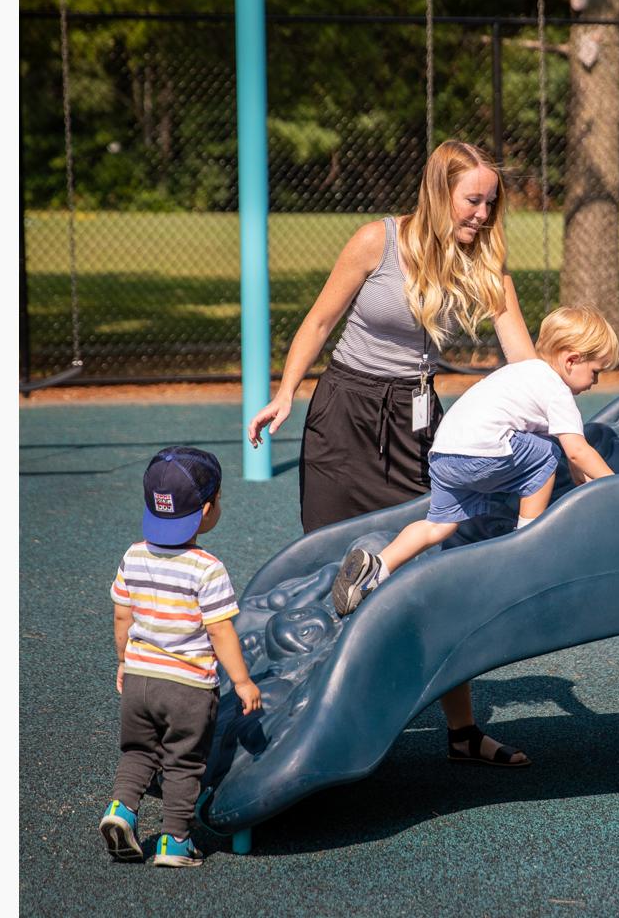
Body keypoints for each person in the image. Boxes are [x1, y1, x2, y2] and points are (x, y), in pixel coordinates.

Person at [245, 139, 538, 766]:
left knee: (429, 572)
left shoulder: (485, 263)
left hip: (415, 424)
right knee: (330, 566)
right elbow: (321, 322)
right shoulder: (376, 242)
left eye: (491, 202)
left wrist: (554, 415)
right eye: (472, 200)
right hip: (344, 413)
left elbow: (523, 357)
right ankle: (305, 725)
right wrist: (285, 393)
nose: (483, 214)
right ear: (438, 193)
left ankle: (461, 733)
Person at [329, 304, 619, 618]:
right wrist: (615, 486)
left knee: (437, 526)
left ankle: (376, 569)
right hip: (482, 451)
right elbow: (576, 450)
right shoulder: (556, 390)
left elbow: (575, 462)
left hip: (444, 456)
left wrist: (583, 481)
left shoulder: (521, 373)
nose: (595, 382)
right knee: (547, 451)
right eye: (595, 372)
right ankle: (527, 543)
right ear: (571, 360)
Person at [100, 446, 262, 867]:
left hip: (139, 678)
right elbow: (220, 630)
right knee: (183, 761)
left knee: (137, 751)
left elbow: (123, 615)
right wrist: (242, 681)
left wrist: (123, 660)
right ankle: (175, 841)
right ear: (207, 509)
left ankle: (121, 810)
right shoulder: (207, 568)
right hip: (188, 687)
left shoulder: (132, 555)